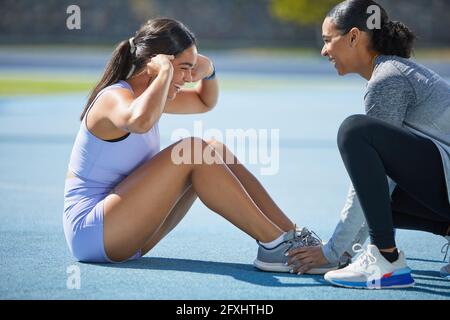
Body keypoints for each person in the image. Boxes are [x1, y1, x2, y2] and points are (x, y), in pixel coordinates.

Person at [63, 18, 327, 273]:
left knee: (213, 149)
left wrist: (209, 69)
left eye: (192, 68)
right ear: (154, 63)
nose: (189, 77)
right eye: (184, 67)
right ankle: (275, 246)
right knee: (194, 151)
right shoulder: (114, 98)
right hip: (92, 233)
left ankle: (292, 237)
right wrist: (165, 72)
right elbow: (139, 121)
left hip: (124, 230)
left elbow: (204, 102)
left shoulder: (151, 97)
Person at [286, 0, 450, 288]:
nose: (324, 50)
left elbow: (380, 178)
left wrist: (332, 252)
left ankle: (386, 260)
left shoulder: (387, 79)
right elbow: (375, 189)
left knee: (355, 131)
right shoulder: (397, 70)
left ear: (353, 37)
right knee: (372, 188)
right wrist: (347, 249)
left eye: (327, 40)